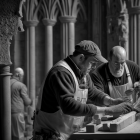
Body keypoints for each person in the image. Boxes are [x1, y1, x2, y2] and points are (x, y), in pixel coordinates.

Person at [33, 41, 134, 140]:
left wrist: (112, 101)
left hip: (68, 134)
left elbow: (93, 93)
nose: (94, 67)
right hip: (51, 134)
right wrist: (107, 110)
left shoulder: (83, 73)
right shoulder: (61, 73)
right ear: (81, 58)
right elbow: (68, 105)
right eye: (92, 63)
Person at [11, 67, 32, 140]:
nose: (22, 78)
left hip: (6, 114)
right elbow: (27, 102)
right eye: (22, 76)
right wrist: (31, 101)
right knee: (19, 136)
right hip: (17, 113)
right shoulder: (21, 85)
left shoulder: (6, 82)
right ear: (18, 75)